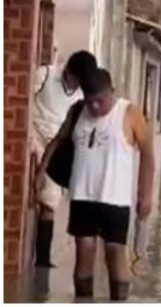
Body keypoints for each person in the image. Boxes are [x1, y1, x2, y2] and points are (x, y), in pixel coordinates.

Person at [39, 68, 155, 301]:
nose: (94, 107)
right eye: (90, 101)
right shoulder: (77, 112)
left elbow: (148, 153)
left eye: (99, 101)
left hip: (115, 200)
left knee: (115, 255)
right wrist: (41, 172)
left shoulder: (129, 113)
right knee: (84, 255)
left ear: (111, 92)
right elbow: (58, 140)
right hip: (82, 197)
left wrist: (146, 194)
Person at [31, 49, 97, 268]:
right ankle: (41, 259)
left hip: (56, 146)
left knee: (51, 201)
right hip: (33, 137)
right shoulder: (45, 75)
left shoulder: (80, 98)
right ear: (68, 71)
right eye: (76, 79)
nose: (77, 84)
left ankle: (42, 258)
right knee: (46, 197)